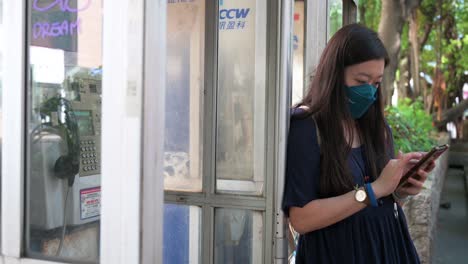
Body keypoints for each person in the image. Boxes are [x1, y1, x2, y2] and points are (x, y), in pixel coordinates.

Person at [281, 23, 435, 263]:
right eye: (361, 81)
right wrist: (373, 190)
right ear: (334, 75)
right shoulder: (307, 126)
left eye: (376, 83)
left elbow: (382, 203)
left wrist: (400, 190)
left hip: (387, 246)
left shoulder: (377, 128)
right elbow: (301, 220)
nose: (370, 92)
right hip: (334, 253)